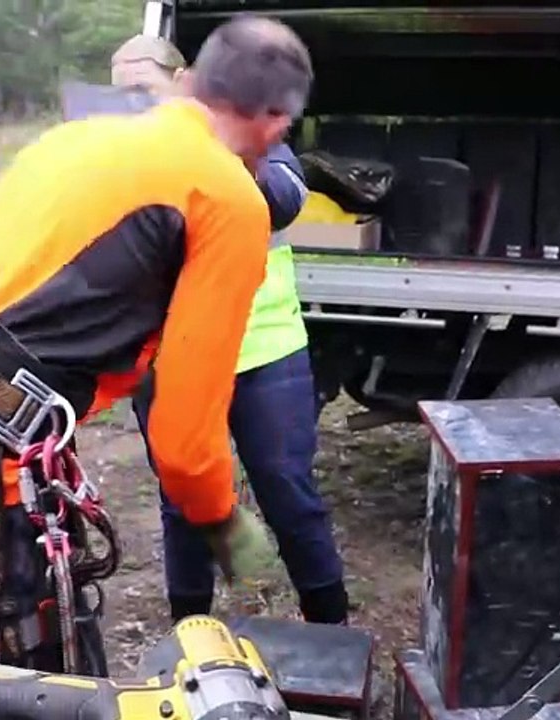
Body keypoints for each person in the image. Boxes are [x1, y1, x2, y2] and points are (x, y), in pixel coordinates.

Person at [0, 15, 315, 671]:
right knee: (14, 685)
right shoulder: (226, 196)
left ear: (193, 82)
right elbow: (183, 438)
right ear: (277, 121)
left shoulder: (75, 140)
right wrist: (224, 524)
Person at [110, 34, 349, 626]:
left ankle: (331, 626)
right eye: (120, 96)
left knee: (286, 491)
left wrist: (209, 151)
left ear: (182, 82)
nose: (134, 106)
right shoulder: (120, 156)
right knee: (182, 499)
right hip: (172, 359)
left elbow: (286, 197)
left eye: (142, 90)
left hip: (264, 351)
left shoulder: (237, 128)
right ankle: (190, 630)